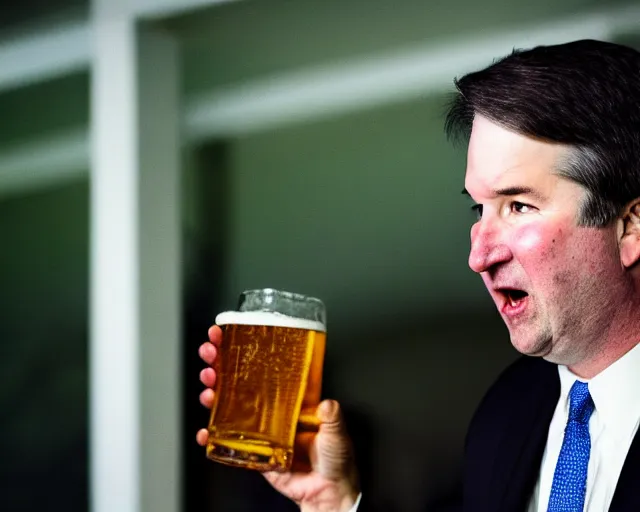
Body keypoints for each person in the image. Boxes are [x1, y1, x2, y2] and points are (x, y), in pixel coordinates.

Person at [196, 39, 640, 511]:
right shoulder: (507, 413)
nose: (479, 255)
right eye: (479, 208)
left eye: (518, 205)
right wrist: (336, 502)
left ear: (630, 227)